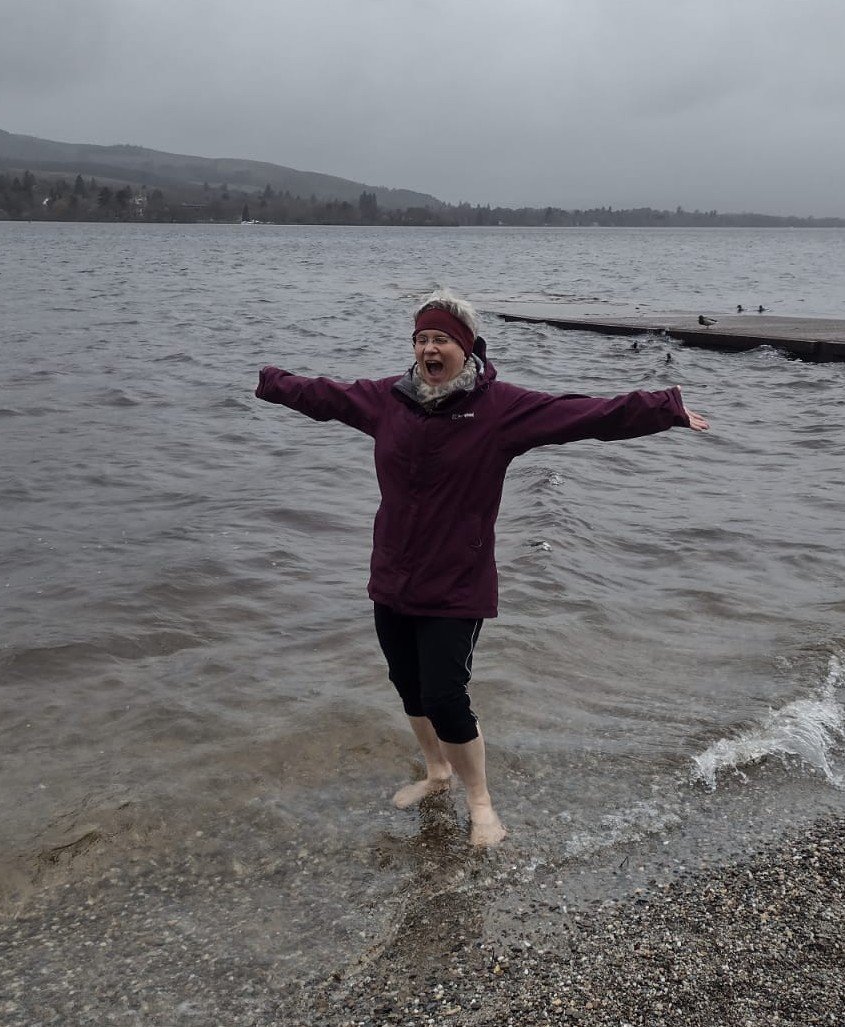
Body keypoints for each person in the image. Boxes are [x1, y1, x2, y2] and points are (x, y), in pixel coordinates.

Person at [255, 290, 709, 846]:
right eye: (421, 338)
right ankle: (436, 772)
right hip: (393, 575)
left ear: (464, 348)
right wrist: (270, 380)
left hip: (457, 582)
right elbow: (324, 396)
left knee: (446, 694)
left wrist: (665, 408)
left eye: (440, 338)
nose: (429, 348)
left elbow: (584, 414)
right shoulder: (388, 401)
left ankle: (481, 801)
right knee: (408, 685)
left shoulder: (500, 409)